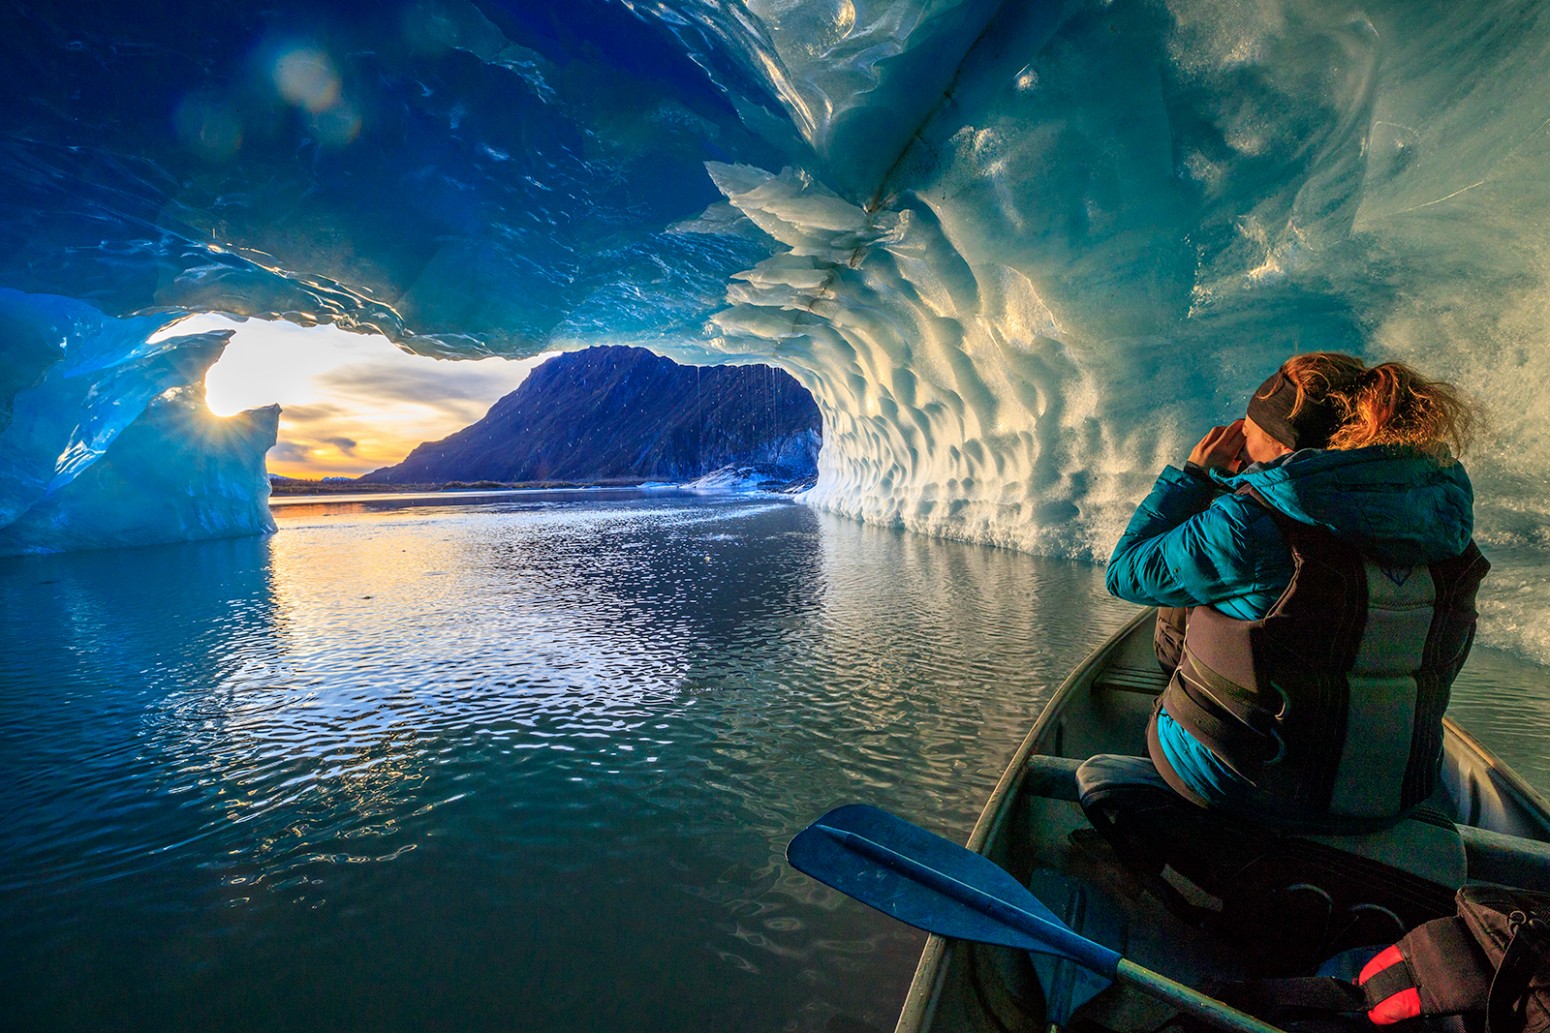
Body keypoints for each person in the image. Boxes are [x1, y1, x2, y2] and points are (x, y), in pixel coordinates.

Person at [1103, 352, 1488, 832]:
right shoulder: (1446, 526)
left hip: (1248, 784)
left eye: (1248, 427)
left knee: (1183, 597)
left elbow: (1126, 572)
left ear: (1280, 443)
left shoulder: (1250, 523)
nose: (1238, 433)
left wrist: (1195, 478)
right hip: (1393, 796)